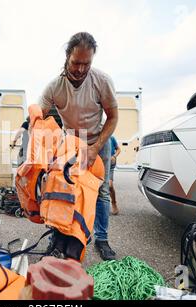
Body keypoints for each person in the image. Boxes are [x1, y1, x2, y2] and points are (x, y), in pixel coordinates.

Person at [39, 32, 119, 260]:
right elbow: (39, 119)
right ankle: (58, 235)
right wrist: (42, 151)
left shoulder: (101, 81)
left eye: (87, 64)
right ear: (67, 57)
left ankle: (101, 239)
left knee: (101, 191)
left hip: (98, 141)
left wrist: (95, 148)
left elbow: (113, 117)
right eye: (76, 63)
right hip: (70, 143)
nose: (81, 69)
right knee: (63, 187)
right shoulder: (54, 87)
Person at [109, 135, 121, 215]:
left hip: (110, 164)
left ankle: (114, 203)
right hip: (99, 163)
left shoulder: (111, 137)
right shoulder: (95, 136)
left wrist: (114, 156)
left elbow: (118, 149)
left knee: (109, 185)